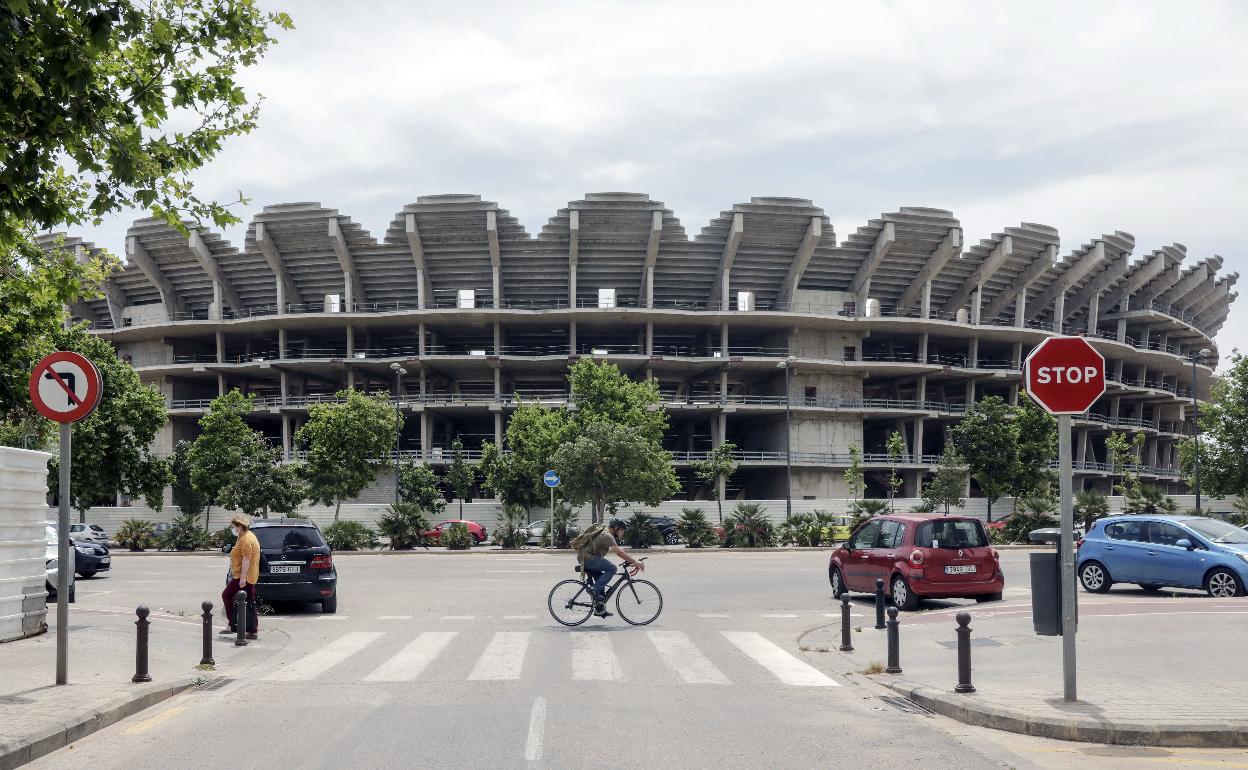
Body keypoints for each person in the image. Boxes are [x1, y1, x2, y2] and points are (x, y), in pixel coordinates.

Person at [575, 518, 644, 618]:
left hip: (587, 558)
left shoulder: (606, 533)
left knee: (601, 580)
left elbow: (621, 551)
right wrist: (634, 561)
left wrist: (630, 560)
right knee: (612, 569)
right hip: (588, 559)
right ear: (616, 528)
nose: (622, 533)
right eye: (621, 530)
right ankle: (594, 590)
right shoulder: (607, 536)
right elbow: (619, 552)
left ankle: (600, 609)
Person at [221, 514, 260, 639]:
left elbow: (246, 559)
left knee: (227, 595)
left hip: (245, 576)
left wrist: (242, 578)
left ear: (240, 526)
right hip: (245, 575)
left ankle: (234, 624)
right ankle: (250, 629)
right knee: (250, 602)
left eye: (234, 526)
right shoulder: (244, 536)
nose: (233, 528)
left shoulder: (247, 539)